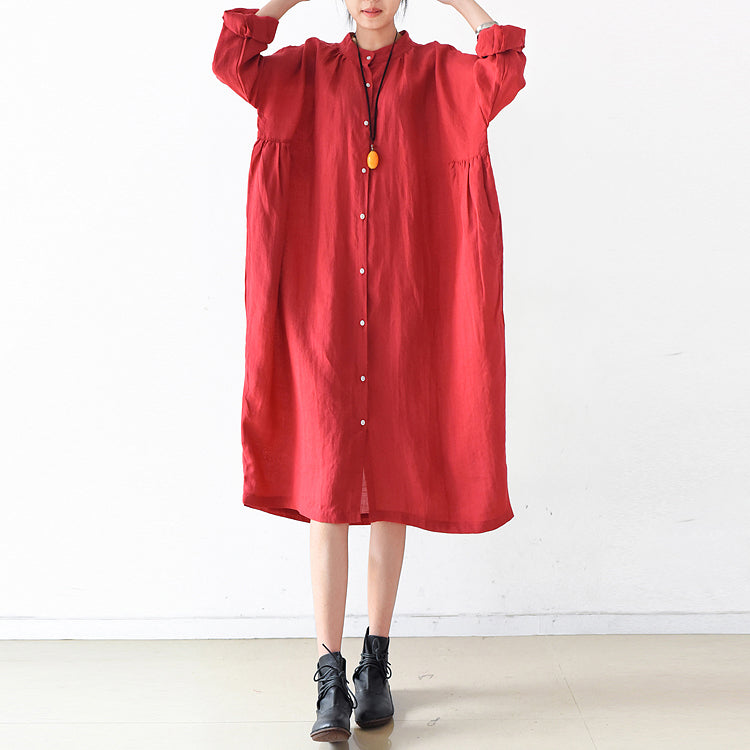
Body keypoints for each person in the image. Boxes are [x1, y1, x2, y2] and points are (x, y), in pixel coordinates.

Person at [212, 0, 526, 741]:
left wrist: (459, 1)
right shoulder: (301, 74)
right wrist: (284, 1)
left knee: (392, 487)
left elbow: (503, 69)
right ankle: (330, 671)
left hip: (407, 316)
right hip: (321, 314)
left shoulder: (440, 75)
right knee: (326, 490)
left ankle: (375, 663)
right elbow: (233, 61)